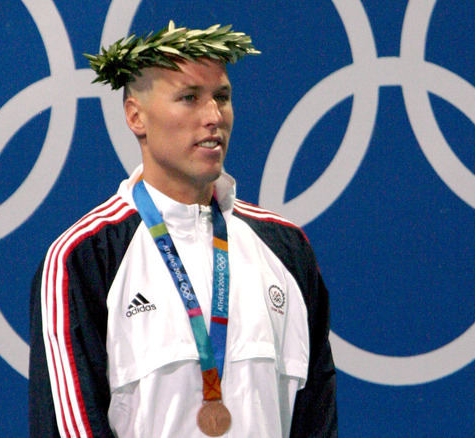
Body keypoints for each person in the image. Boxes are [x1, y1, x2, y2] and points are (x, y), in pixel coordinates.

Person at [29, 21, 337, 437]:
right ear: (135, 116)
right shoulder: (82, 257)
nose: (214, 117)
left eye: (222, 97)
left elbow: (316, 417)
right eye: (190, 98)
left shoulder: (285, 247)